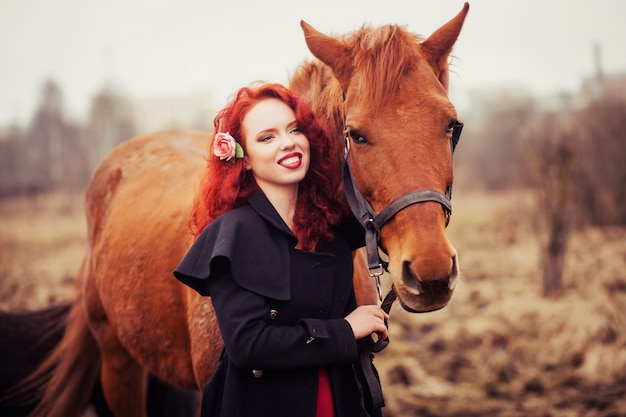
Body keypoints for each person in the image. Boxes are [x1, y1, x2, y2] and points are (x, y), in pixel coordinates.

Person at [173, 82, 388, 417]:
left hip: (338, 399)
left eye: (294, 129)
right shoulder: (231, 237)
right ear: (241, 159)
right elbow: (248, 346)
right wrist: (345, 330)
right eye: (267, 137)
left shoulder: (331, 230)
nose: (288, 142)